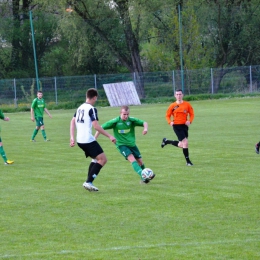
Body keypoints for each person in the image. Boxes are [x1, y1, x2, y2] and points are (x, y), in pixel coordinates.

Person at [70, 88, 116, 192]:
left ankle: (88, 182)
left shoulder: (79, 108)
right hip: (87, 140)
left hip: (79, 140)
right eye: (96, 99)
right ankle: (88, 182)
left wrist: (72, 137)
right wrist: (110, 136)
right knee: (103, 159)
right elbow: (96, 126)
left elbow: (72, 122)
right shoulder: (91, 109)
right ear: (94, 97)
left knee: (95, 159)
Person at [94, 105, 155, 184]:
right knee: (132, 159)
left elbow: (144, 122)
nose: (126, 116)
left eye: (127, 114)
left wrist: (145, 128)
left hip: (132, 145)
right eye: (124, 114)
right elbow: (100, 127)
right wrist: (94, 138)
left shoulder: (131, 120)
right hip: (121, 145)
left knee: (140, 162)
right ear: (120, 113)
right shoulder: (115, 121)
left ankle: (143, 179)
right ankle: (144, 175)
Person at [161, 89, 195, 166]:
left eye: (180, 94)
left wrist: (190, 121)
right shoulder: (172, 106)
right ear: (175, 96)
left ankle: (167, 141)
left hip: (184, 126)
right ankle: (188, 161)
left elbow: (192, 114)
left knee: (181, 145)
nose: (179, 96)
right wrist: (170, 122)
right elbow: (167, 115)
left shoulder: (187, 104)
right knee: (185, 143)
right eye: (177, 94)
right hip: (176, 126)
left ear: (182, 95)